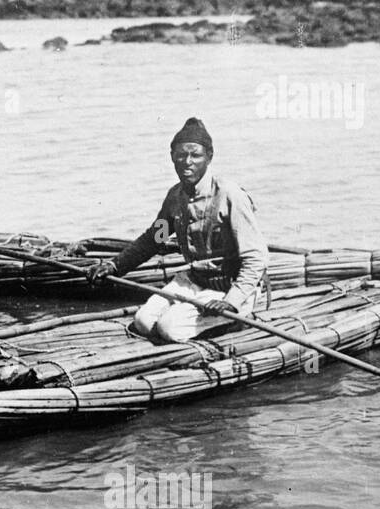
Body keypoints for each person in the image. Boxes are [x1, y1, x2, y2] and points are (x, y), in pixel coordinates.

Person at [87, 117, 267, 343]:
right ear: (172, 157)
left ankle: (236, 320)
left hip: (230, 286)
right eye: (181, 155)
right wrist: (114, 266)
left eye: (195, 155)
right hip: (195, 281)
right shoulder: (175, 198)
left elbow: (256, 258)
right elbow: (154, 239)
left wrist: (231, 301)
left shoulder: (230, 196)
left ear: (209, 157)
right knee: (143, 321)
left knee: (169, 328)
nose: (187, 162)